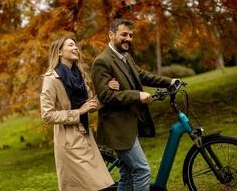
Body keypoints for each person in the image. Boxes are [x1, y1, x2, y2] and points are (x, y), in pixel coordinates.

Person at [91, 18, 177, 191]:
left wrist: (170, 81)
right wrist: (137, 95)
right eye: (124, 34)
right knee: (142, 170)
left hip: (129, 124)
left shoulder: (126, 57)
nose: (128, 39)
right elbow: (106, 96)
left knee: (127, 174)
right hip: (117, 127)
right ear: (111, 35)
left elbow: (142, 75)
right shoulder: (102, 61)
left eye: (131, 35)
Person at [40, 37, 116, 191]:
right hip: (69, 141)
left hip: (86, 137)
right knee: (97, 186)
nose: (76, 48)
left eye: (76, 45)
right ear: (60, 51)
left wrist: (107, 90)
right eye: (71, 45)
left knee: (100, 184)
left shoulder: (79, 76)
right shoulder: (51, 78)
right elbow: (46, 115)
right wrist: (78, 112)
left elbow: (90, 105)